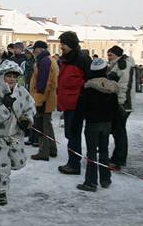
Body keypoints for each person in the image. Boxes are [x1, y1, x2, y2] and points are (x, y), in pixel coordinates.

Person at [0, 60, 36, 205]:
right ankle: (1, 191)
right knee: (0, 167)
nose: (11, 79)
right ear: (1, 76)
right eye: (8, 75)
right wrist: (4, 106)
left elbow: (30, 106)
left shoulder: (22, 92)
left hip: (15, 136)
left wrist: (26, 119)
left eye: (14, 76)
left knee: (18, 162)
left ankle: (3, 173)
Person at [73, 59, 119, 192]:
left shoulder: (88, 88)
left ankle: (91, 182)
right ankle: (105, 179)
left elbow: (80, 109)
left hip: (93, 124)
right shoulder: (111, 88)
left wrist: (75, 126)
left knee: (92, 153)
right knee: (104, 151)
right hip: (107, 124)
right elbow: (115, 109)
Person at [57, 31, 91, 175]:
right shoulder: (67, 59)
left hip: (77, 103)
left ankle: (74, 164)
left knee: (73, 134)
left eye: (63, 44)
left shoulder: (82, 59)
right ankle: (73, 161)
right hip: (68, 103)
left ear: (70, 44)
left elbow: (90, 82)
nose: (61, 47)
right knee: (70, 134)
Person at [106, 45, 135, 170]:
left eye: (110, 55)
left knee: (119, 132)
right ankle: (117, 158)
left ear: (117, 54)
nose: (108, 57)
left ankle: (118, 160)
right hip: (118, 102)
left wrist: (120, 102)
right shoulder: (116, 64)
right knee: (117, 130)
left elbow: (124, 85)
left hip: (123, 104)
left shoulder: (123, 64)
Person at [29, 41, 58, 161]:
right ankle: (52, 149)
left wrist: (39, 101)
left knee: (42, 126)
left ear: (40, 49)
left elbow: (43, 83)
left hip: (43, 99)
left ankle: (44, 152)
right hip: (47, 98)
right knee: (47, 124)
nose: (33, 52)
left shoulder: (44, 61)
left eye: (34, 49)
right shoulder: (47, 59)